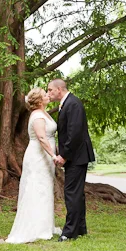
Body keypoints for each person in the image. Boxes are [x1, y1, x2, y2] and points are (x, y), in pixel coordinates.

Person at [5, 87, 62, 244]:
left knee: (45, 188)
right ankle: (35, 228)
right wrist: (53, 156)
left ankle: (45, 225)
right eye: (44, 94)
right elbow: (42, 138)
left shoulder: (44, 113)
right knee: (37, 188)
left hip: (46, 156)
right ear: (38, 101)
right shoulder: (37, 116)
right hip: (38, 156)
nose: (47, 95)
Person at [47, 78, 95, 241]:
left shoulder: (73, 104)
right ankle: (80, 228)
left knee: (71, 192)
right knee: (77, 193)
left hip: (77, 156)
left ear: (59, 89)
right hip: (76, 155)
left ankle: (69, 232)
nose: (49, 93)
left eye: (50, 90)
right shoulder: (67, 103)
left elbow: (75, 133)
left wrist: (64, 155)